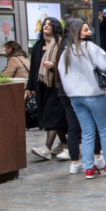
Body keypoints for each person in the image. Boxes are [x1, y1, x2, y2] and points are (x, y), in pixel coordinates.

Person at [58, 18, 106, 179]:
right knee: (104, 130)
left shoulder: (66, 51)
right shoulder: (89, 47)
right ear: (77, 32)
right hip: (93, 95)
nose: (89, 32)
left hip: (75, 98)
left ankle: (89, 168)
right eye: (85, 30)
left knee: (87, 132)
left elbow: (62, 74)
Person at [25, 17, 69, 161]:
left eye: (50, 24)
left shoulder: (61, 43)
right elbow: (33, 68)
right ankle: (65, 144)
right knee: (54, 116)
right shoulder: (38, 45)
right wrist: (30, 86)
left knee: (52, 113)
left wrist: (53, 67)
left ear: (56, 27)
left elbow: (65, 65)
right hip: (42, 86)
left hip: (57, 85)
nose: (46, 26)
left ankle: (46, 148)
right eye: (44, 24)